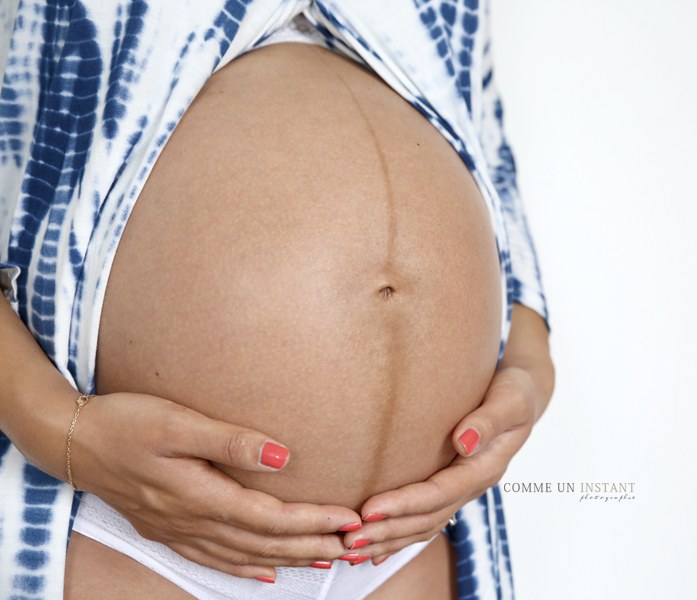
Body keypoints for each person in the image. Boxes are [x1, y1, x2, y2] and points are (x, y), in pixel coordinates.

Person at [0, 2, 553, 599]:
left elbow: (484, 137)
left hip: (413, 539)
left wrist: (529, 360)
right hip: (126, 522)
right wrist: (59, 428)